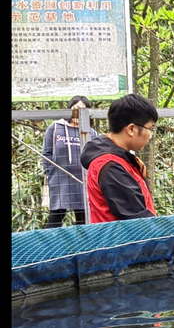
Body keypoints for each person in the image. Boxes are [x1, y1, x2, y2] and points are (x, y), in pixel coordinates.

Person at [80, 93, 158, 223]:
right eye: (150, 129)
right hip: (124, 242)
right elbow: (138, 219)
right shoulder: (111, 166)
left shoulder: (119, 160)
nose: (150, 135)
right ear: (131, 129)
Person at [42, 95, 98, 228]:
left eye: (83, 109)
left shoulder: (92, 133)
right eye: (76, 108)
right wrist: (50, 173)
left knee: (83, 220)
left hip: (82, 181)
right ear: (70, 109)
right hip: (60, 180)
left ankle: (82, 247)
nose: (79, 112)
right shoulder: (55, 128)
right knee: (55, 218)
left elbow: (95, 156)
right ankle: (50, 246)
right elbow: (46, 154)